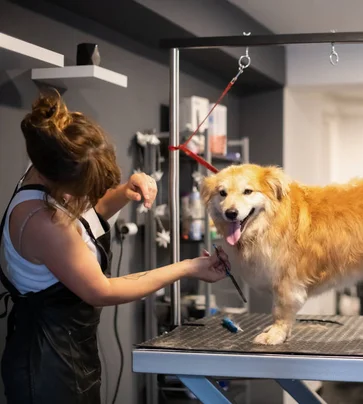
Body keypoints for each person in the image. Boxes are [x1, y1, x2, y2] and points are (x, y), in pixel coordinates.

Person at [0, 90, 229, 404]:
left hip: (69, 350)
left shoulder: (46, 168)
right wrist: (188, 267)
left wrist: (125, 191)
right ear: (62, 183)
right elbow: (102, 291)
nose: (87, 198)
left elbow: (85, 216)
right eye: (85, 190)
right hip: (46, 366)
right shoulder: (42, 221)